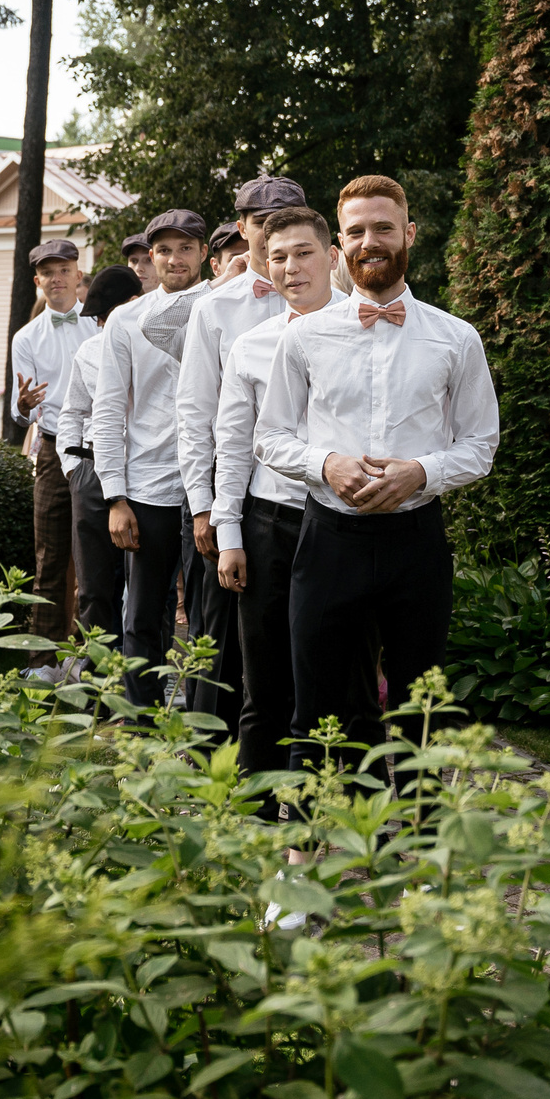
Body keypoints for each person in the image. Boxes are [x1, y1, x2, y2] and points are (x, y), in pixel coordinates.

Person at [255, 176, 498, 774]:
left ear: (409, 233)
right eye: (358, 231)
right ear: (341, 242)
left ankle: (419, 859)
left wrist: (423, 471)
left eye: (384, 227)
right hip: (328, 538)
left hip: (415, 543)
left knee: (422, 710)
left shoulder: (455, 338)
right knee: (316, 705)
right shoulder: (305, 337)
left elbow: (481, 444)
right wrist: (324, 463)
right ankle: (303, 853)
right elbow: (269, 436)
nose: (372, 241)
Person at [174, 176, 310, 737]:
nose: (273, 230)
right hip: (232, 493)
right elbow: (194, 411)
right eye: (261, 222)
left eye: (286, 219)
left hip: (307, 496)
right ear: (242, 228)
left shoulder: (336, 298)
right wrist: (204, 508)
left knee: (299, 637)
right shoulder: (215, 309)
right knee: (222, 638)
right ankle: (212, 763)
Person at [212, 205, 338, 785]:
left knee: (336, 670)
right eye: (277, 257)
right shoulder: (252, 346)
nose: (290, 268)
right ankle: (259, 804)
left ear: (332, 257)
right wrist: (231, 534)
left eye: (302, 253)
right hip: (269, 521)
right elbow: (232, 444)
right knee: (261, 675)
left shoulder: (368, 332)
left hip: (343, 521)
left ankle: (330, 797)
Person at [93, 209, 208, 711]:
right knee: (141, 615)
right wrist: (115, 496)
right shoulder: (125, 319)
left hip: (210, 484)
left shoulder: (223, 306)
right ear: (150, 257)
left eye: (185, 247)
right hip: (148, 487)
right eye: (164, 249)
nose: (174, 258)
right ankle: (139, 725)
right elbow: (109, 409)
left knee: (207, 616)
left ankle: (207, 727)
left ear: (204, 252)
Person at [8, 238, 92, 638]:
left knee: (94, 559)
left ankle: (84, 655)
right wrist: (24, 406)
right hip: (53, 451)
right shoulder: (25, 338)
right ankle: (42, 655)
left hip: (100, 451)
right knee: (49, 558)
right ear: (37, 279)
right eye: (48, 272)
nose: (57, 278)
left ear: (78, 273)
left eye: (64, 270)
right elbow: (16, 411)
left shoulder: (102, 323)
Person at [61, 264, 144, 644]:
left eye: (105, 316)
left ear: (134, 304)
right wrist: (73, 469)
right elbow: (73, 412)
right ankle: (96, 690)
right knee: (94, 587)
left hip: (145, 472)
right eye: (96, 319)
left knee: (146, 592)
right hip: (92, 475)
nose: (100, 326)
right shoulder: (89, 351)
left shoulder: (162, 347)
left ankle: (140, 686)